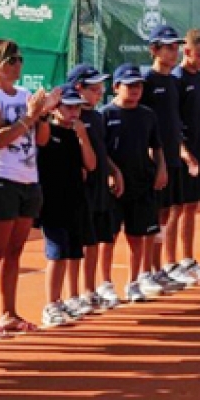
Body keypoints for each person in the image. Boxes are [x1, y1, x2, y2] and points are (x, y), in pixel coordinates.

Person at [0, 40, 59, 341]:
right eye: (9, 60)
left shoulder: (25, 96)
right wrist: (30, 115)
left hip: (28, 181)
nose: (16, 65)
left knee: (14, 251)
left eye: (19, 59)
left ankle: (8, 313)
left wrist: (45, 114)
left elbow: (43, 140)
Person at [102, 64, 167, 303]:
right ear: (116, 87)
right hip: (114, 189)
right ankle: (106, 283)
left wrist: (161, 169)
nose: (135, 89)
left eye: (138, 85)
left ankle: (133, 282)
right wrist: (112, 172)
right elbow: (101, 151)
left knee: (138, 236)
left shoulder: (148, 115)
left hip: (142, 184)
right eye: (129, 85)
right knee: (108, 237)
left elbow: (157, 146)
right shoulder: (106, 115)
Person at [37, 85, 97, 326]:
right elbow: (41, 146)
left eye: (77, 107)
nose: (74, 112)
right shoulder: (46, 130)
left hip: (76, 201)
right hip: (52, 203)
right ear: (55, 109)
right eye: (68, 107)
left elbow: (91, 166)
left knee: (72, 252)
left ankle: (64, 301)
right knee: (57, 253)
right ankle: (50, 304)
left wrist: (82, 136)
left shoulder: (76, 134)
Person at [68, 65, 124, 311]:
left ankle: (89, 291)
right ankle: (72, 295)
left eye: (101, 88)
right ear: (78, 88)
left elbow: (102, 151)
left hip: (101, 189)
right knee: (76, 243)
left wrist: (114, 171)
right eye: (94, 88)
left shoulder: (98, 116)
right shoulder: (69, 117)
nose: (100, 93)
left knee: (94, 241)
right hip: (79, 193)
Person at [141, 24, 188, 293]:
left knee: (165, 214)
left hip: (171, 159)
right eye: (169, 47)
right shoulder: (146, 81)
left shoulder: (174, 81)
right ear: (154, 49)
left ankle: (157, 269)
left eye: (176, 46)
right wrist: (154, 161)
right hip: (153, 161)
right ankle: (145, 272)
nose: (174, 51)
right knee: (151, 216)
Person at [172, 28, 200, 283]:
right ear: (186, 51)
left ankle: (187, 260)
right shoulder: (176, 78)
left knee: (191, 207)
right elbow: (172, 121)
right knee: (176, 208)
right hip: (183, 154)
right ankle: (172, 263)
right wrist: (184, 151)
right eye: (199, 55)